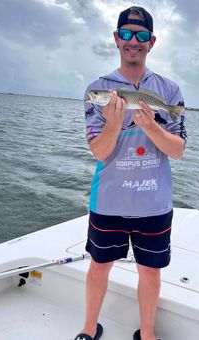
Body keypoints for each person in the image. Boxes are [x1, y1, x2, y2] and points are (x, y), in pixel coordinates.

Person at [74, 6, 187, 340]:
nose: (132, 41)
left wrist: (152, 126)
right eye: (126, 33)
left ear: (151, 42)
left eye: (140, 35)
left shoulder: (169, 91)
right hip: (109, 201)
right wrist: (112, 122)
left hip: (153, 204)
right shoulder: (98, 89)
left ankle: (148, 335)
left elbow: (178, 151)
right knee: (99, 266)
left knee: (150, 273)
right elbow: (98, 151)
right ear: (116, 38)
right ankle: (88, 327)